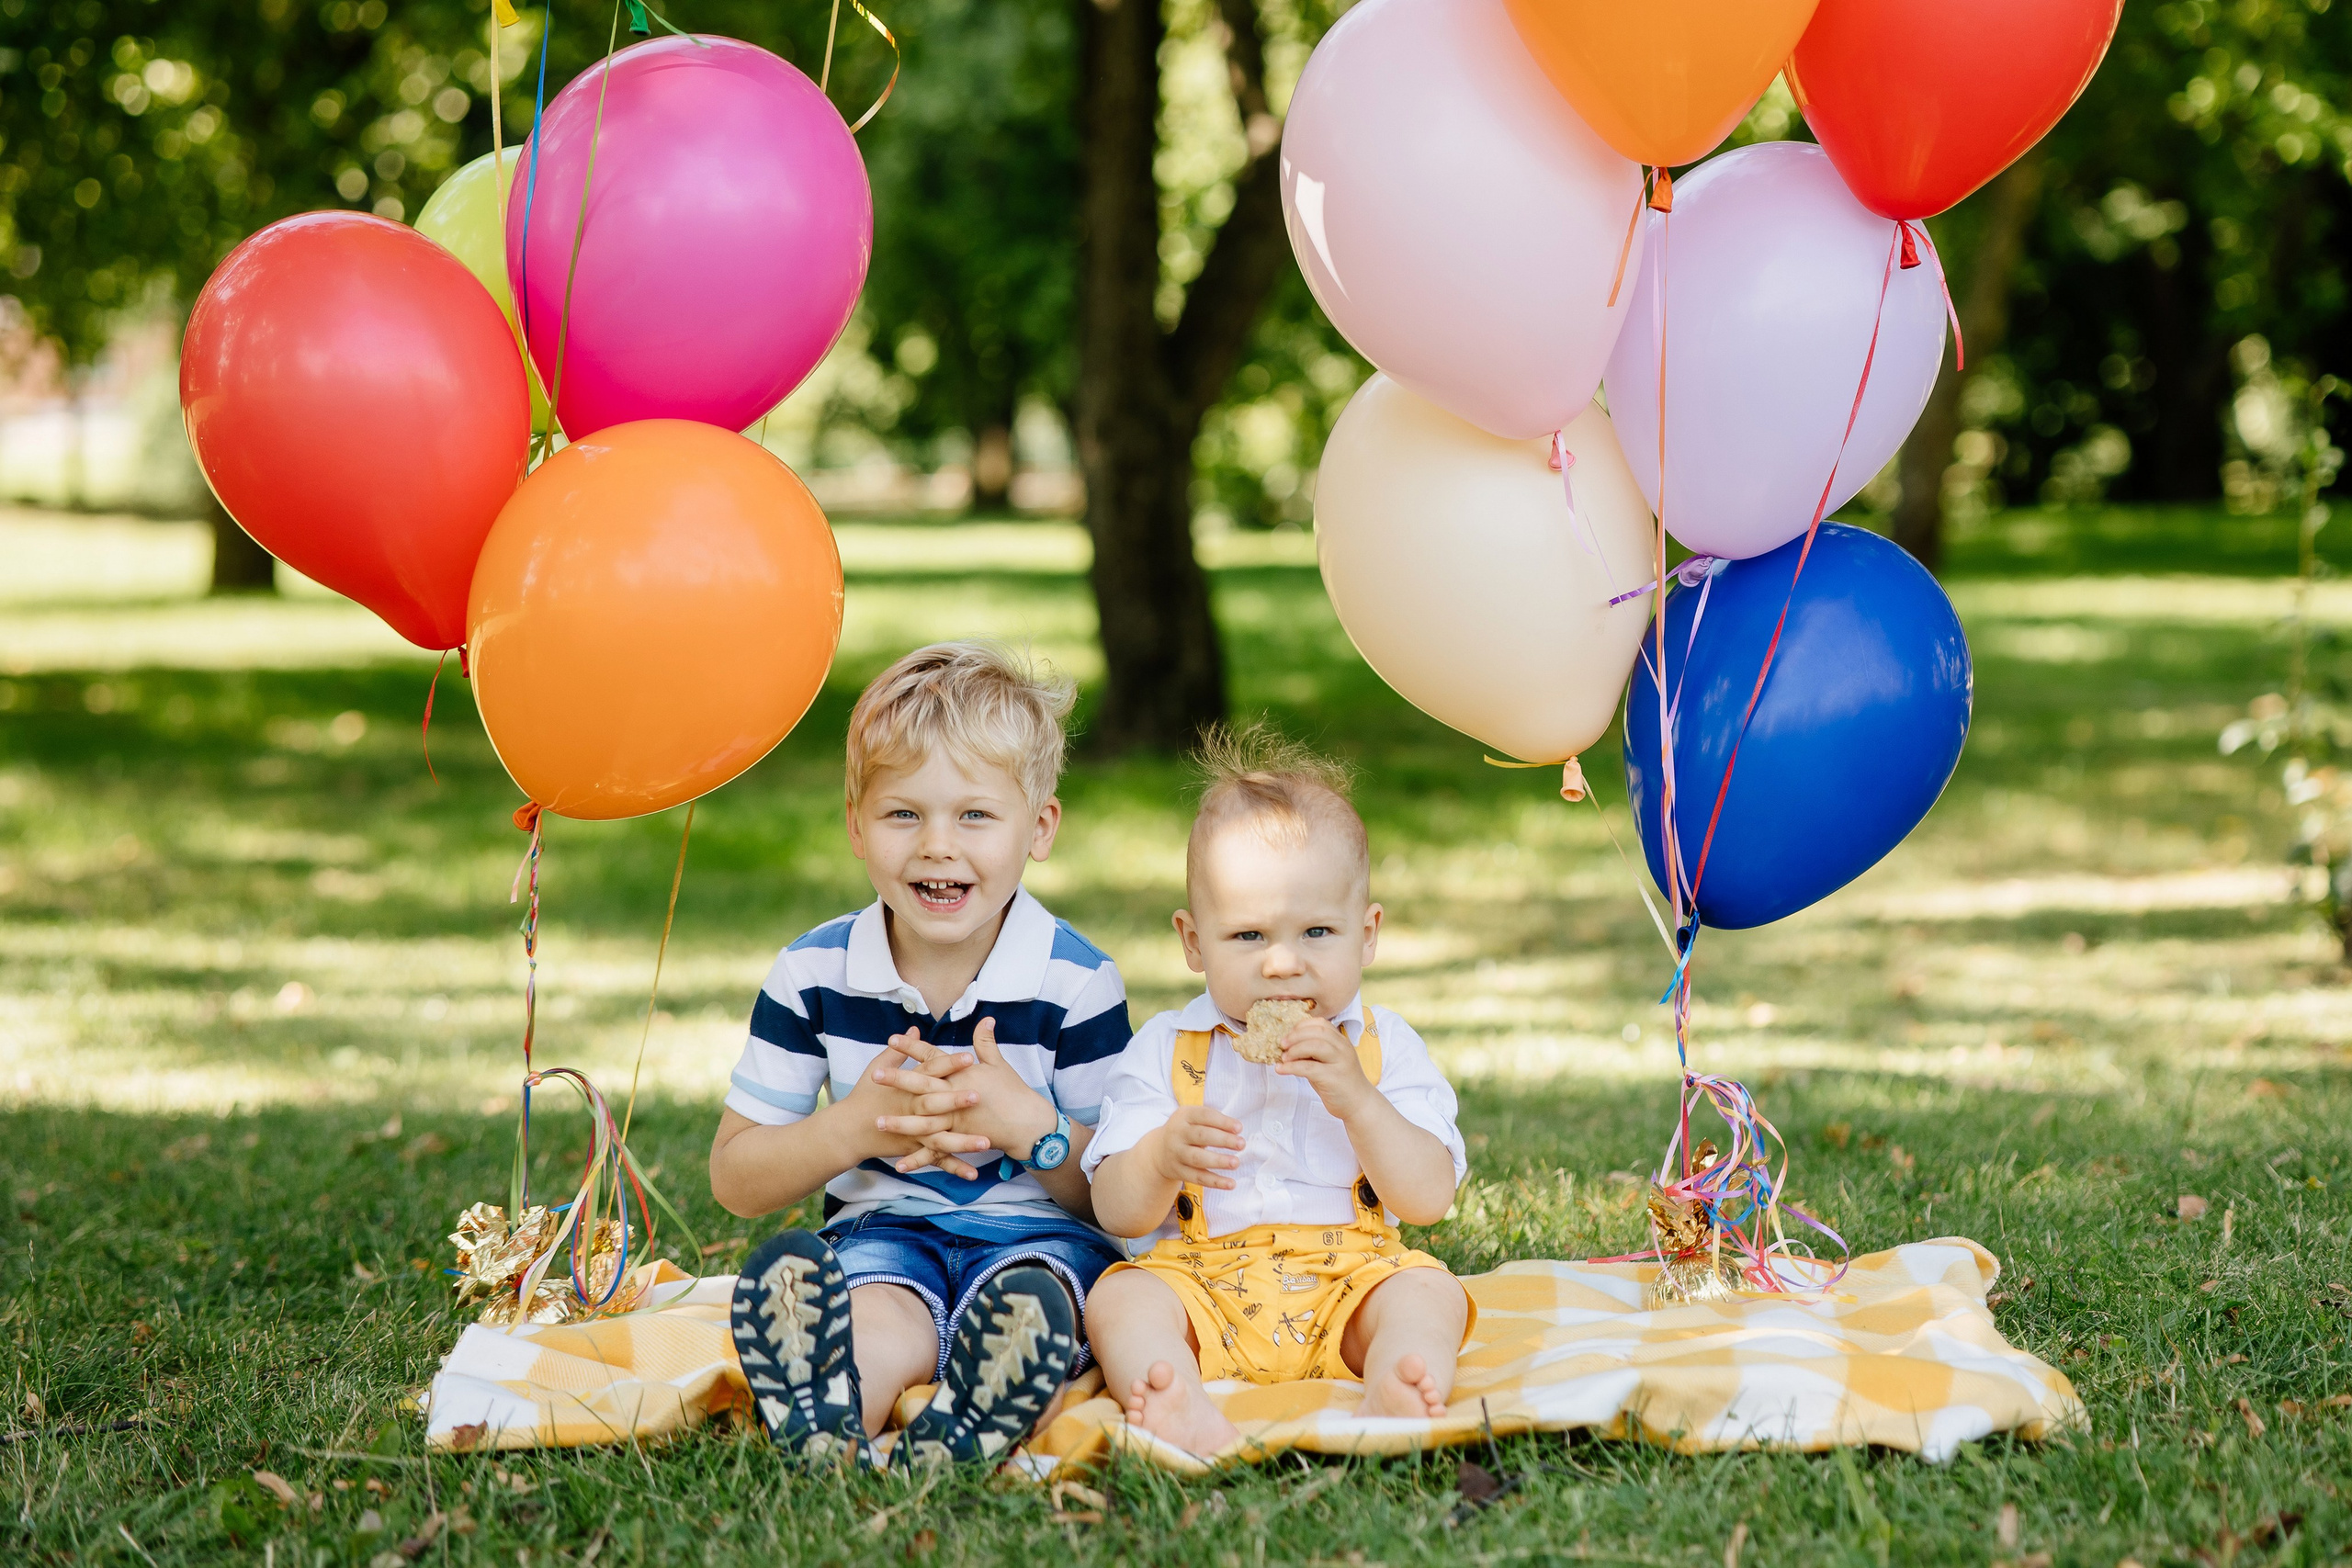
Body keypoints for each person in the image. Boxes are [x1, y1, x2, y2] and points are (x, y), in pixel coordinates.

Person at [712, 642, 1130, 1468]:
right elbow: (736, 1179)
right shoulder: (814, 974)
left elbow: (1121, 1199)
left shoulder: (1075, 982)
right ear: (857, 826)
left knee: (1041, 1321)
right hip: (882, 1234)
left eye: (974, 815)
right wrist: (853, 1128)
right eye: (905, 814)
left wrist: (1031, 1127)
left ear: (1038, 827)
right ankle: (828, 1417)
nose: (938, 845)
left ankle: (974, 1416)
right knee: (872, 1315)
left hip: (1039, 1250)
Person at [1081, 726, 1474, 1456]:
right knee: (1120, 1296)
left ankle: (1397, 1375)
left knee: (1430, 1291)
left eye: (1318, 930)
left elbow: (1428, 1199)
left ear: (1368, 933)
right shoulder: (1168, 1049)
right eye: (1249, 936)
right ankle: (1172, 1391)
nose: (1283, 964)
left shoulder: (1382, 1048)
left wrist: (1358, 1098)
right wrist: (1163, 1156)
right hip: (1201, 1278)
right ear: (1194, 941)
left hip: (1351, 1278)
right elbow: (1114, 1207)